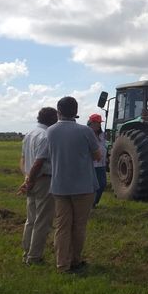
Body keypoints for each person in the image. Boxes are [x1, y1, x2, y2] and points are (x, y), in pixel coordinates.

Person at [46, 97, 101, 273]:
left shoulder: (51, 131)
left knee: (62, 226)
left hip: (60, 186)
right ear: (76, 110)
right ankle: (76, 261)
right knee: (78, 226)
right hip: (83, 186)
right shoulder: (85, 131)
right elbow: (97, 156)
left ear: (58, 111)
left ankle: (62, 264)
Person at [18, 107, 58, 265]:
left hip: (31, 179)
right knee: (42, 221)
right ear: (53, 119)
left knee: (31, 219)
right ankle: (34, 257)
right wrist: (32, 179)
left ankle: (26, 252)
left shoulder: (30, 133)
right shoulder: (46, 136)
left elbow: (22, 159)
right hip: (42, 180)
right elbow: (39, 162)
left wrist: (26, 177)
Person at [87, 113, 107, 208]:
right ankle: (90, 203)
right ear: (91, 123)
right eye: (97, 123)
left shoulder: (102, 135)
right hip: (92, 164)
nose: (99, 125)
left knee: (102, 184)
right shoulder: (87, 134)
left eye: (99, 123)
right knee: (92, 185)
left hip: (101, 164)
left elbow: (103, 146)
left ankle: (94, 202)